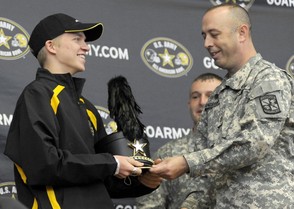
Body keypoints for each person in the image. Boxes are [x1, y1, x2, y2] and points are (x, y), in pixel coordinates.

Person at [4, 13, 161, 209]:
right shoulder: (36, 95)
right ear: (51, 46)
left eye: (85, 41)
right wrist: (112, 163)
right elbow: (45, 165)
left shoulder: (87, 107)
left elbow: (102, 179)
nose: (86, 47)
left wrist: (141, 183)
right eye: (77, 39)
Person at [150, 3, 294, 208]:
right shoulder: (218, 96)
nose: (207, 43)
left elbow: (254, 144)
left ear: (241, 33)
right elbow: (208, 173)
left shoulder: (268, 80)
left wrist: (186, 162)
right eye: (204, 36)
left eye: (214, 34)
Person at [136, 73, 222, 209]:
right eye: (195, 96)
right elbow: (149, 205)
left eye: (210, 95)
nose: (202, 102)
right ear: (189, 104)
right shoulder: (167, 153)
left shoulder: (243, 147)